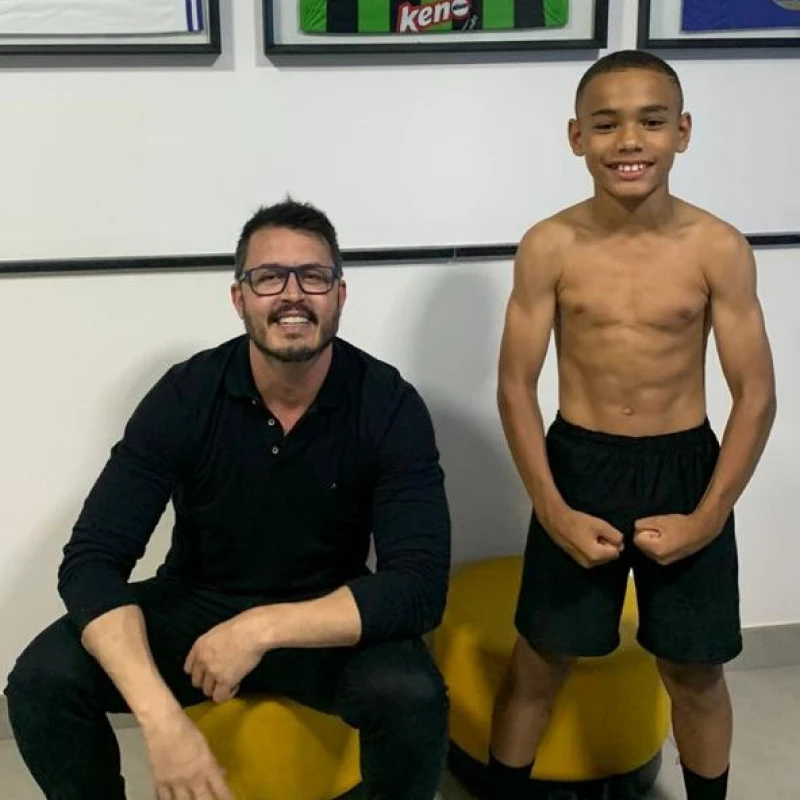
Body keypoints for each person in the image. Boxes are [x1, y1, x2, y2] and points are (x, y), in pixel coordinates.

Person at [4, 199, 452, 800]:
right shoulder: (185, 395)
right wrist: (161, 719)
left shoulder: (389, 404)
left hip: (321, 611)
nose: (292, 295)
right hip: (195, 601)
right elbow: (91, 562)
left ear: (340, 295)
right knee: (42, 680)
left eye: (313, 277)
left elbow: (419, 586)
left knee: (414, 696)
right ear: (239, 298)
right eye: (269, 278)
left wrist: (259, 628)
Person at [487, 50, 776, 800]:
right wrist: (553, 509)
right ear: (575, 136)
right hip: (579, 462)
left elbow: (756, 395)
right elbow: (515, 385)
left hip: (685, 467)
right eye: (606, 123)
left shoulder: (717, 247)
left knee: (695, 670)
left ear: (682, 132)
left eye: (650, 121)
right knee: (539, 660)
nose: (628, 142)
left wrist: (707, 518)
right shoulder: (548, 245)